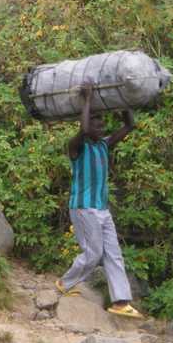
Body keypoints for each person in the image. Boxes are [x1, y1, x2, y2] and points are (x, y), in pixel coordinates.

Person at [56, 82, 142, 318]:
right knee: (93, 253)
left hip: (101, 210)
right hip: (83, 208)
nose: (101, 129)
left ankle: (120, 302)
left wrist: (124, 100)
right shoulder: (76, 146)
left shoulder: (104, 146)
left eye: (103, 126)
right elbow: (82, 131)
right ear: (87, 125)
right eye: (97, 125)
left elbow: (130, 125)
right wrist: (86, 99)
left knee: (113, 253)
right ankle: (66, 283)